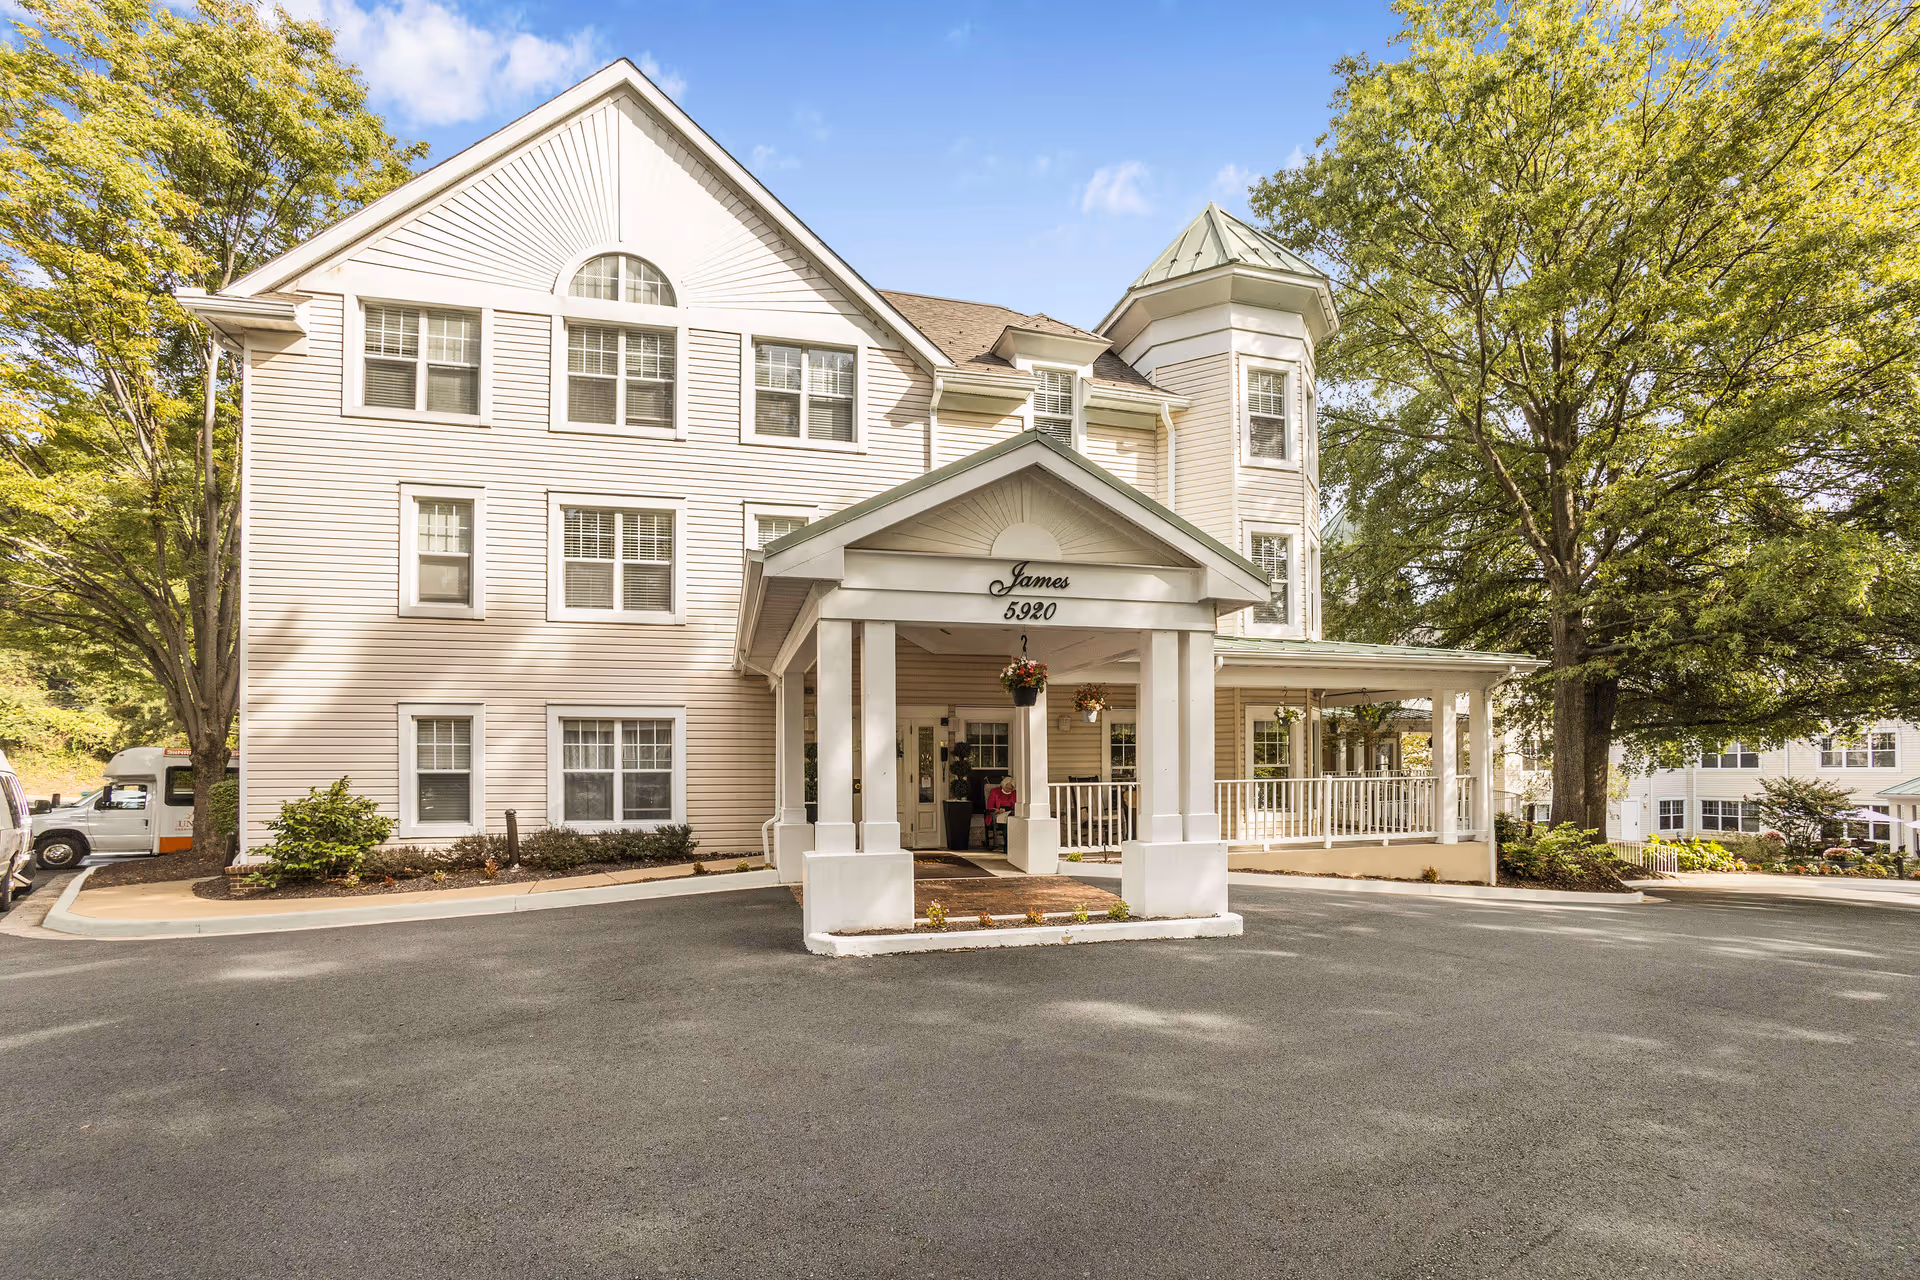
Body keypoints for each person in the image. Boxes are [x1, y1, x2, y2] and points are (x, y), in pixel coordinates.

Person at [985, 775, 1017, 851]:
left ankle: (1013, 845)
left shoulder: (1014, 793)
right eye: (1007, 788)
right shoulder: (995, 792)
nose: (1008, 790)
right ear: (1003, 785)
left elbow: (1016, 805)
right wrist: (997, 810)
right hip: (997, 814)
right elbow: (990, 807)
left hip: (1010, 813)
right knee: (1006, 822)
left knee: (1011, 819)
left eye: (1010, 789)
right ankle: (1007, 846)